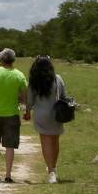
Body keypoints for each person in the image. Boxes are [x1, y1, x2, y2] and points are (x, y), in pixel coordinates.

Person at [0, 48, 27, 182]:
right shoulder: (19, 75)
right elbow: (25, 96)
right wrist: (27, 110)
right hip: (12, 113)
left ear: (1, 59)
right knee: (10, 146)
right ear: (13, 60)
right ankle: (8, 174)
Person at [25, 55, 66, 184]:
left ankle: (50, 171)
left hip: (41, 114)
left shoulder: (34, 81)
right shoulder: (57, 79)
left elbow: (30, 100)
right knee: (55, 141)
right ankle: (54, 167)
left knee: (45, 142)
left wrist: (27, 112)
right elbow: (64, 96)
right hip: (56, 114)